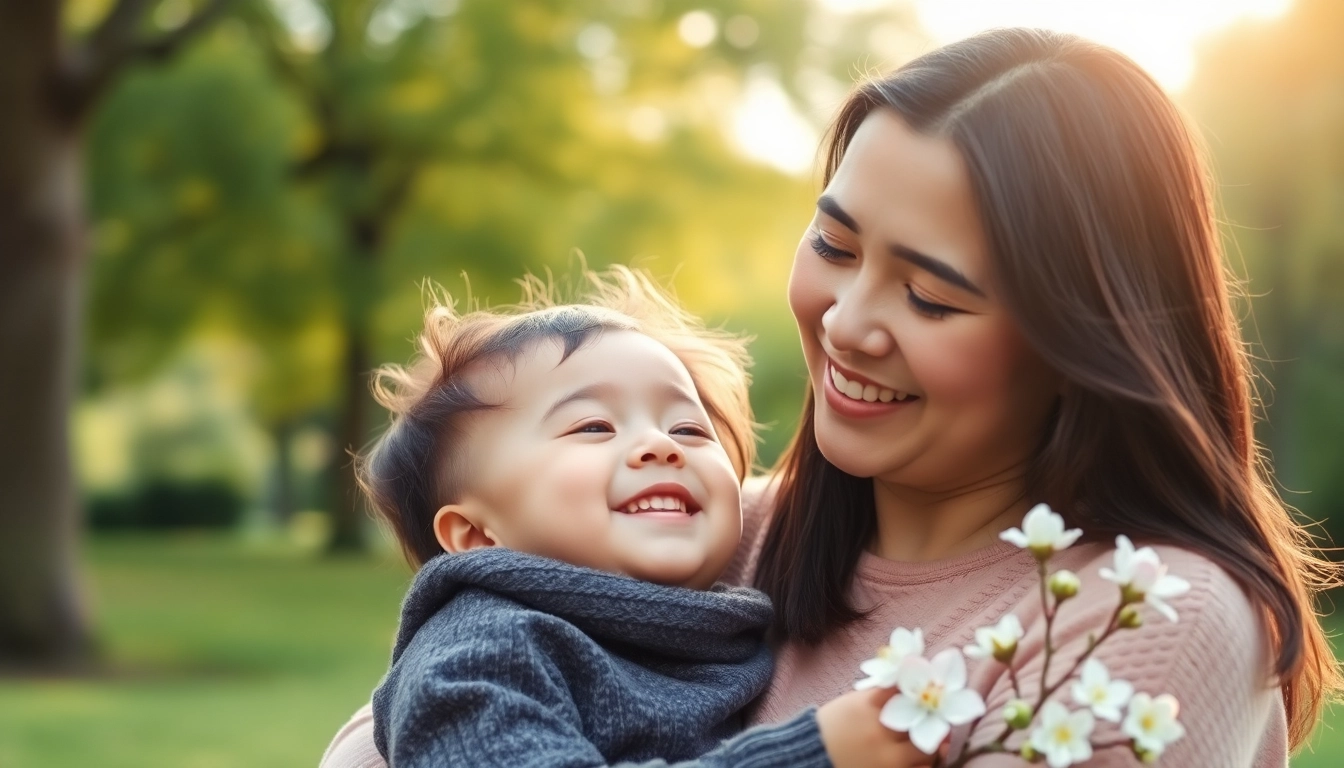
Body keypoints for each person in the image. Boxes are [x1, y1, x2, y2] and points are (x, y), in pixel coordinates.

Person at [322, 28, 1338, 768]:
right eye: (835, 245)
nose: (848, 323)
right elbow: (401, 733)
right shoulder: (712, 534)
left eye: (930, 296)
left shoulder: (1142, 613)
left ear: (1082, 338)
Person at [356, 267, 932, 768]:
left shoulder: (710, 637)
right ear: (478, 536)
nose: (661, 446)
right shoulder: (481, 653)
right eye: (593, 426)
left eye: (689, 428)